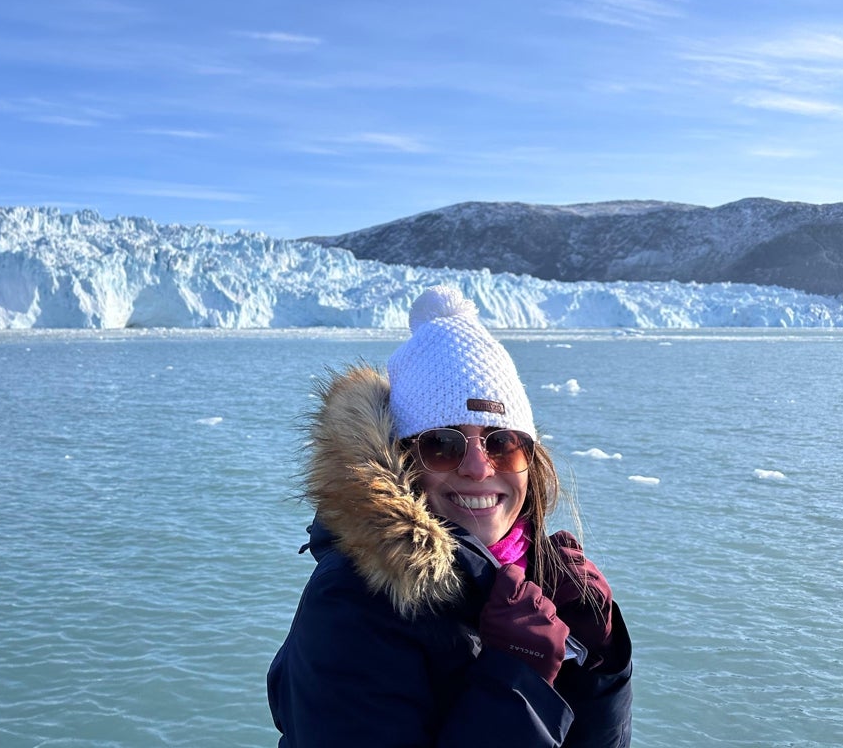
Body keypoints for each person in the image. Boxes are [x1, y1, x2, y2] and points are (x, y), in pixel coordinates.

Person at [267, 286, 632, 747]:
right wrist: (517, 680)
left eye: (503, 442)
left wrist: (599, 665)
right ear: (402, 459)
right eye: (442, 444)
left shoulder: (527, 580)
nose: (479, 467)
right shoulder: (350, 605)